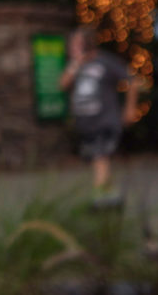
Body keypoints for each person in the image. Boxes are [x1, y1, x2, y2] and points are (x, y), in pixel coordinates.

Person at [59, 27, 140, 204]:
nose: (72, 47)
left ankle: (99, 195)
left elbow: (132, 81)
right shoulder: (76, 65)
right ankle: (109, 192)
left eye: (77, 43)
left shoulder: (105, 62)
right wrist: (75, 64)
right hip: (85, 122)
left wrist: (130, 108)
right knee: (97, 158)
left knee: (100, 156)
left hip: (105, 119)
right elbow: (63, 85)